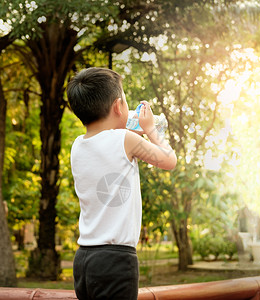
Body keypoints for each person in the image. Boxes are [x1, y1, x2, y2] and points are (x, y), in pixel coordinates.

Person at [67, 67, 177, 300]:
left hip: (84, 259)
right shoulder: (126, 140)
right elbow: (169, 160)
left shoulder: (77, 145)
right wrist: (150, 129)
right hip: (116, 261)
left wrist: (126, 126)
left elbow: (106, 141)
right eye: (126, 103)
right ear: (118, 107)